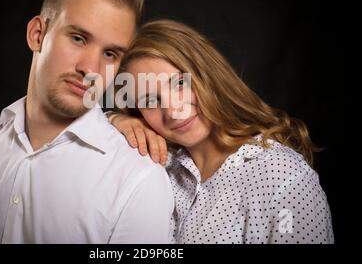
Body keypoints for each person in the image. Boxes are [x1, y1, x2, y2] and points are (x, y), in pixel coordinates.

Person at [0, 0, 174, 244]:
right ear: (37, 34)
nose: (90, 69)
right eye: (78, 38)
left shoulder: (139, 179)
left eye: (110, 54)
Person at [107, 19, 334, 243]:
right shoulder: (158, 168)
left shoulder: (283, 176)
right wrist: (115, 119)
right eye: (149, 100)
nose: (173, 110)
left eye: (179, 84)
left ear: (208, 74)